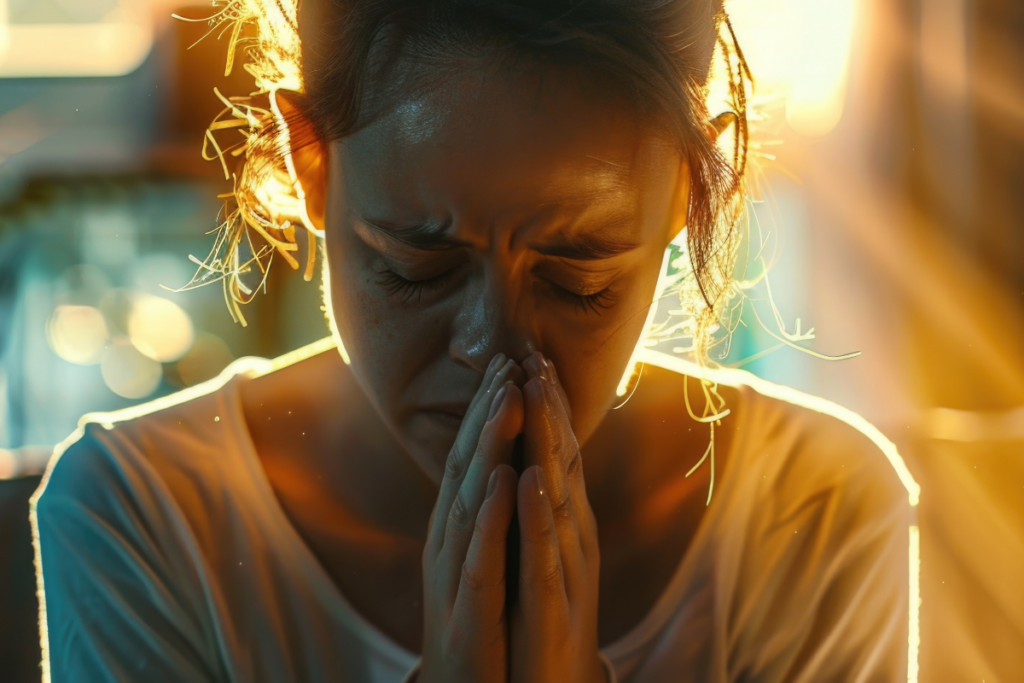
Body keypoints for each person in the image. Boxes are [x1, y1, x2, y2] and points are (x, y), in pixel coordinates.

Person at [32, 0, 913, 681]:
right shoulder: (142, 522)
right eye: (419, 264)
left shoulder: (813, 515)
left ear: (685, 194)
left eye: (580, 274)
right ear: (313, 167)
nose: (495, 346)